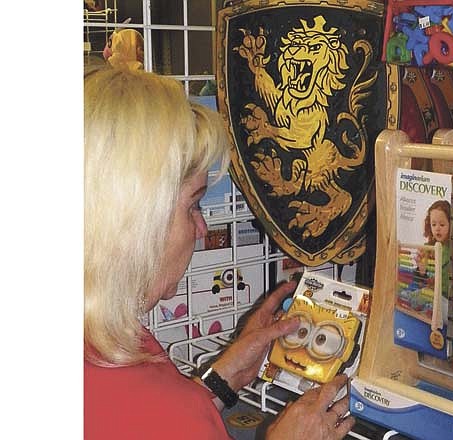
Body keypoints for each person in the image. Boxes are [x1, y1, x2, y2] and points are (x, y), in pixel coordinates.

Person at [84, 64, 355, 439]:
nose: (201, 228)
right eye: (193, 204)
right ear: (138, 219)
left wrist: (222, 380)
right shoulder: (158, 399)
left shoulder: (109, 340)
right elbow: (163, 419)